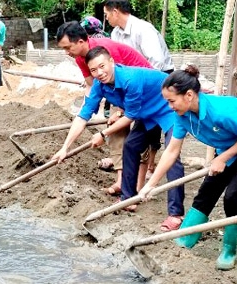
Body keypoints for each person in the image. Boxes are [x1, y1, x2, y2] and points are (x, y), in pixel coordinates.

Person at [139, 65, 237, 270]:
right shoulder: (182, 116)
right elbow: (171, 151)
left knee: (233, 198)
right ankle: (186, 238)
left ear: (188, 95)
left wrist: (222, 158)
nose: (169, 107)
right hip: (230, 143)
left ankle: (229, 249)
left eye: (171, 101)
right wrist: (150, 184)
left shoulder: (221, 111)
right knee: (207, 191)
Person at [53, 46, 185, 231]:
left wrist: (102, 134)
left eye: (102, 66)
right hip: (145, 112)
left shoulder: (131, 79)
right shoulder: (100, 85)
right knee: (130, 146)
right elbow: (83, 116)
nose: (99, 73)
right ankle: (128, 198)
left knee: (172, 157)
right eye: (93, 70)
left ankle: (176, 214)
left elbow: (130, 116)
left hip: (167, 108)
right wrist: (65, 147)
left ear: (112, 62)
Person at [55, 21, 152, 196]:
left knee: (137, 136)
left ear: (81, 42)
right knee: (115, 130)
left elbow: (124, 78)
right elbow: (93, 86)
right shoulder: (80, 58)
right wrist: (65, 147)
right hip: (120, 94)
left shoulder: (104, 51)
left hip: (144, 93)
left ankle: (138, 185)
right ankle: (122, 181)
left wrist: (120, 112)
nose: (66, 53)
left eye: (68, 47)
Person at [104, 0, 175, 179]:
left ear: (116, 11)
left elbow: (156, 62)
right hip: (130, 82)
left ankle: (151, 163)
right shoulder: (115, 33)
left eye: (107, 14)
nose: (106, 18)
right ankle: (134, 167)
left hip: (157, 79)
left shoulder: (144, 29)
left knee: (151, 123)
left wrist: (144, 88)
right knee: (135, 122)